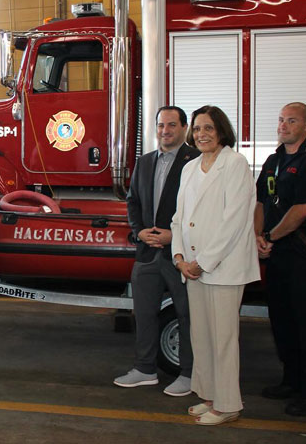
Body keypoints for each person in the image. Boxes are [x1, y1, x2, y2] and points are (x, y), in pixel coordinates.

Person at [171, 105, 260, 426]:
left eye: (208, 128)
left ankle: (227, 404)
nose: (201, 134)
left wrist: (203, 262)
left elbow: (234, 221)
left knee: (223, 338)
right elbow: (179, 218)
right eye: (196, 129)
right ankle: (209, 395)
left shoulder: (235, 165)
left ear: (221, 131)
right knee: (202, 336)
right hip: (192, 267)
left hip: (222, 268)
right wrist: (180, 257)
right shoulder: (190, 167)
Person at [114, 106, 198, 396]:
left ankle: (189, 373)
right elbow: (132, 200)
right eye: (161, 125)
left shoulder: (197, 162)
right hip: (147, 253)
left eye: (172, 125)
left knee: (187, 315)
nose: (165, 131)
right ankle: (145, 369)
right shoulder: (145, 161)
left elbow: (204, 211)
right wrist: (139, 231)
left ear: (184, 128)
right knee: (145, 313)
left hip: (182, 255)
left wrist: (175, 236)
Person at [255, 102, 306, 416]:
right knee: (281, 321)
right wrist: (258, 235)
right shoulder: (273, 160)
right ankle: (291, 380)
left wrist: (270, 237)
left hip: (301, 255)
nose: (283, 125)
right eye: (281, 119)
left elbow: (301, 211)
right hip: (274, 255)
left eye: (292, 120)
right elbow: (260, 201)